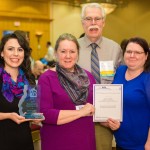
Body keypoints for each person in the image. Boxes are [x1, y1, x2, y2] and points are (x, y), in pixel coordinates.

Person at [38, 33, 96, 150]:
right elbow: (45, 114)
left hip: (86, 140)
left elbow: (96, 107)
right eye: (63, 51)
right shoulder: (46, 78)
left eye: (72, 51)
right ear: (55, 53)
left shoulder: (88, 77)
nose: (68, 56)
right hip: (58, 142)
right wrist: (81, 112)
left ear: (78, 54)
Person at [77, 3, 123, 150]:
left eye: (97, 19)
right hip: (77, 118)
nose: (93, 23)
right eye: (88, 18)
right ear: (82, 22)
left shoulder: (115, 49)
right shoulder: (72, 48)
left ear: (103, 22)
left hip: (104, 121)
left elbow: (122, 80)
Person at [0, 32, 43, 150]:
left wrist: (35, 117)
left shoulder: (29, 79)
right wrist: (8, 116)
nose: (15, 54)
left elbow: (30, 110)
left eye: (20, 49)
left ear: (24, 53)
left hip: (25, 141)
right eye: (10, 49)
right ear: (2, 53)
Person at [112, 37, 150, 150]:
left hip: (141, 144)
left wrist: (149, 143)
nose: (132, 55)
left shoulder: (147, 78)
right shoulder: (120, 71)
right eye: (129, 51)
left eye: (138, 52)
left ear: (146, 55)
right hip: (121, 139)